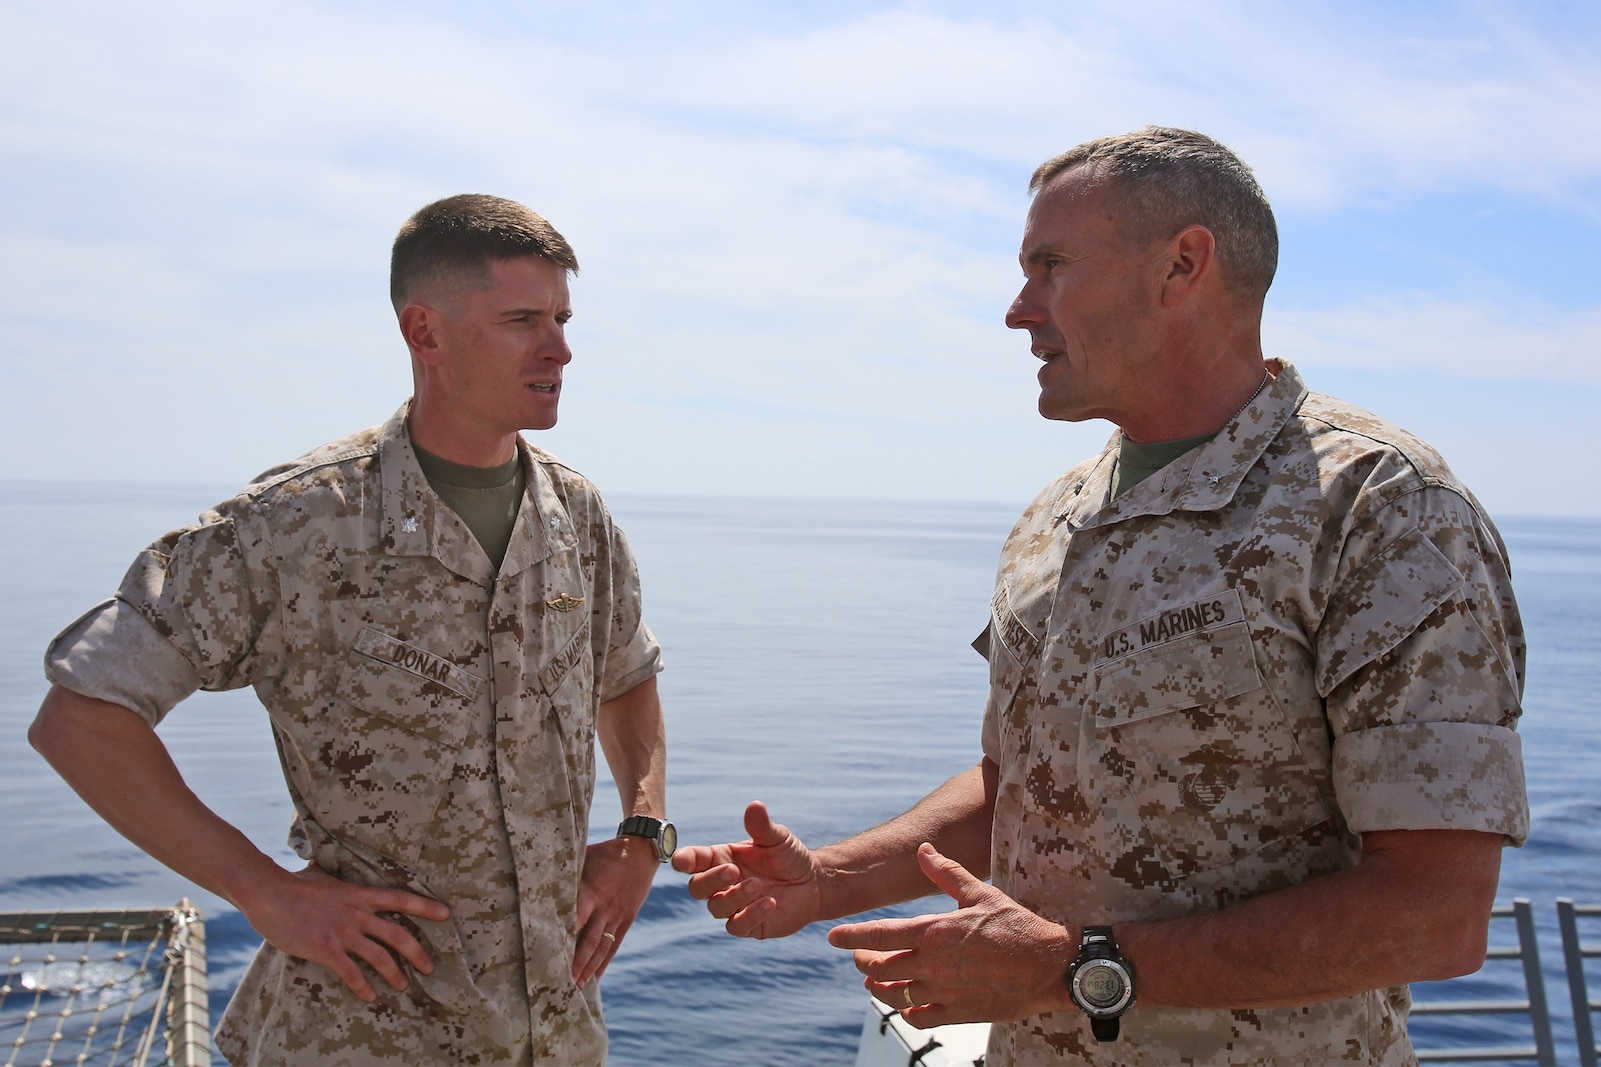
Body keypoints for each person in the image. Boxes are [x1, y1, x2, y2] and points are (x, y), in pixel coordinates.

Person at [673, 128, 1527, 1065]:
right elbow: (1028, 776)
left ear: (1181, 266)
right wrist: (829, 879)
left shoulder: (1377, 505)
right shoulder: (1054, 518)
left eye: (1050, 266)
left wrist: (1072, 970)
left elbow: (1433, 913)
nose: (1016, 310)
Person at [29, 194, 674, 1065]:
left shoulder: (576, 515)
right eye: (522, 319)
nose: (559, 347)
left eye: (561, 317)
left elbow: (625, 675)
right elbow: (82, 717)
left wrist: (641, 835)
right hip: (360, 1033)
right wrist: (258, 887)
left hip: (551, 1035)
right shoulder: (296, 524)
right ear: (426, 331)